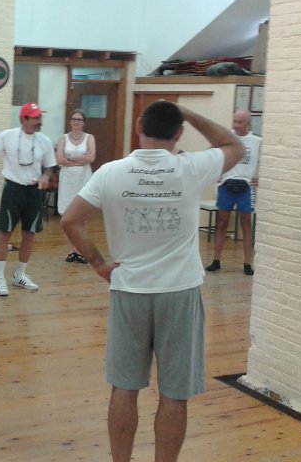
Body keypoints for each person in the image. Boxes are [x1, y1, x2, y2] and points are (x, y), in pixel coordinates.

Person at [61, 101, 243, 462]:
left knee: (124, 388)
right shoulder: (191, 167)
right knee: (174, 394)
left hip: (130, 290)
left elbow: (70, 220)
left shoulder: (111, 172)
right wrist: (187, 112)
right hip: (180, 292)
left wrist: (98, 263)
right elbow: (234, 145)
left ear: (139, 126)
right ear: (179, 133)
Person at [0, 102, 57, 296]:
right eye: (36, 118)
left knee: (30, 234)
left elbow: (50, 167)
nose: (40, 121)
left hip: (34, 191)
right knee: (4, 234)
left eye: (40, 117)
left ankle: (20, 274)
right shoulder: (7, 136)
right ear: (24, 119)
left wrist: (45, 176)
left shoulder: (44, 140)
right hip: (13, 190)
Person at [206, 109, 262, 275]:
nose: (236, 125)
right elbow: (210, 153)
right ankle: (216, 260)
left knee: (246, 225)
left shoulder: (257, 141)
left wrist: (260, 179)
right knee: (221, 223)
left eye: (240, 122)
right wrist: (216, 172)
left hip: (246, 187)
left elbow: (270, 160)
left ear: (248, 123)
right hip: (226, 185)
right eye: (235, 121)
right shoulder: (226, 137)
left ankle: (247, 263)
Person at [55, 108, 96, 263]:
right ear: (70, 121)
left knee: (82, 217)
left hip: (83, 179)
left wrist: (70, 158)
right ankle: (71, 251)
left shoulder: (89, 138)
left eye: (79, 120)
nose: (76, 122)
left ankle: (82, 251)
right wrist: (80, 160)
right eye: (74, 119)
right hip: (67, 180)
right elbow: (59, 159)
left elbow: (91, 157)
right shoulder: (63, 138)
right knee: (67, 215)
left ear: (83, 122)